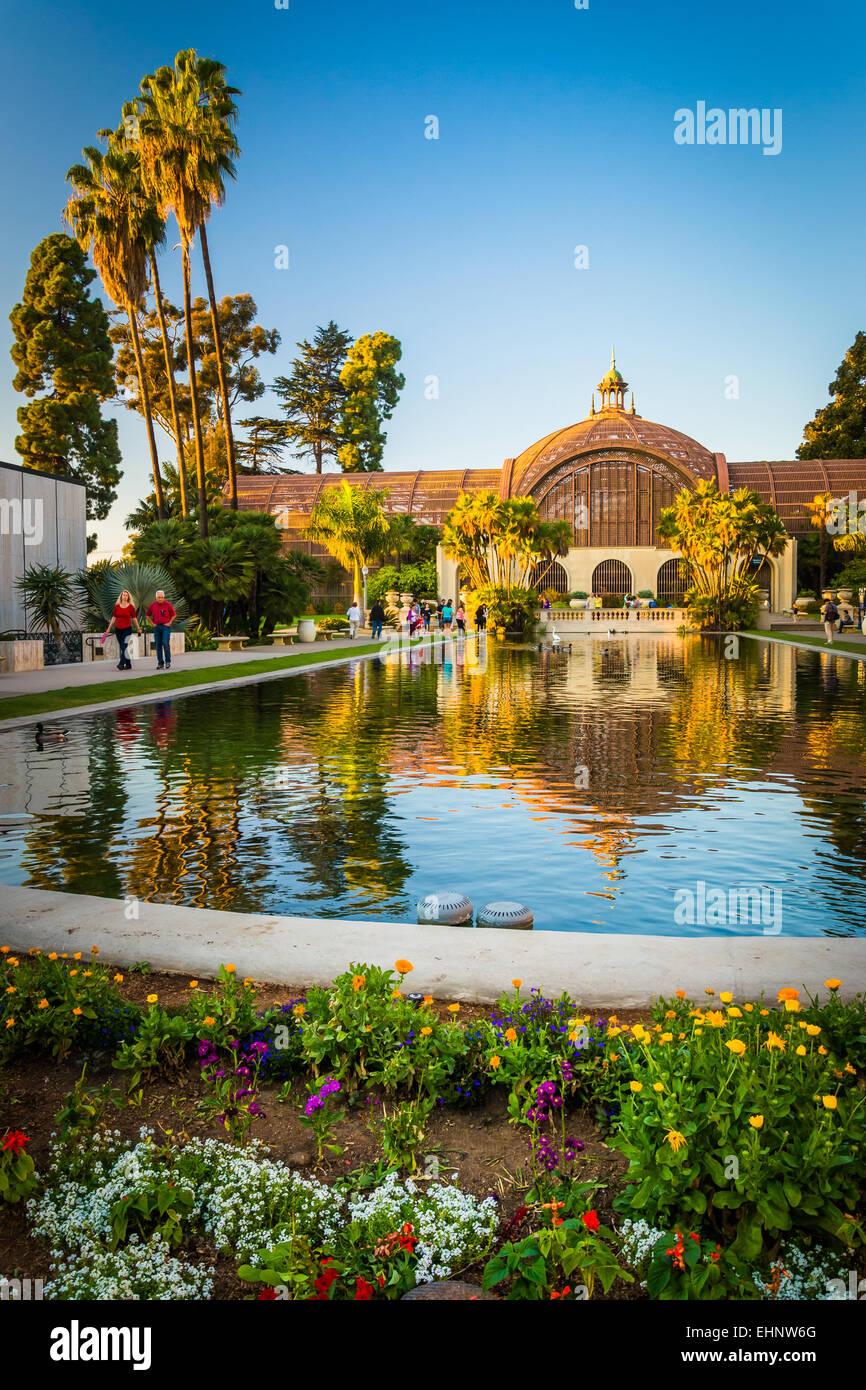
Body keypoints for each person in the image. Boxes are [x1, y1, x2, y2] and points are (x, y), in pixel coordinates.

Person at [105, 590, 142, 671]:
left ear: (128, 597)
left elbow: (134, 618)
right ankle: (128, 664)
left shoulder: (131, 607)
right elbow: (114, 618)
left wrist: (138, 628)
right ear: (121, 596)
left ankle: (121, 664)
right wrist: (108, 628)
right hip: (118, 629)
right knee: (123, 647)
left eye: (126, 595)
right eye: (123, 595)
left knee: (124, 646)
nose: (124, 596)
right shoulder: (117, 606)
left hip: (127, 629)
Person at [146, 589, 176, 670]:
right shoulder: (153, 605)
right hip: (157, 627)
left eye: (162, 597)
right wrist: (152, 623)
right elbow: (147, 615)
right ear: (156, 597)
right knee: (158, 646)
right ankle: (160, 663)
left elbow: (174, 615)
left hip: (166, 627)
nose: (161, 599)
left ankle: (168, 661)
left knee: (165, 643)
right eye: (159, 597)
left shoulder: (168, 604)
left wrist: (169, 622)